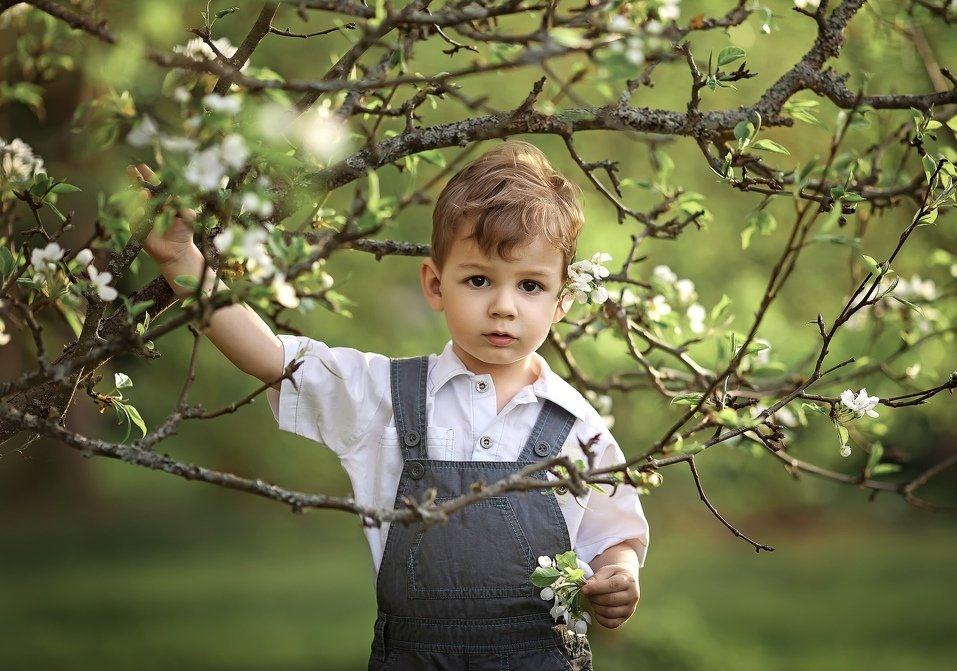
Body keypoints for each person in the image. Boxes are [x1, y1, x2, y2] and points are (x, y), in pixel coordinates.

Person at [133, 140, 648, 670]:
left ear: (562, 301)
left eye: (531, 286)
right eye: (478, 280)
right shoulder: (386, 395)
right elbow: (271, 358)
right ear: (435, 284)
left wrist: (619, 575)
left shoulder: (573, 422)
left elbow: (614, 534)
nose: (503, 305)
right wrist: (181, 260)